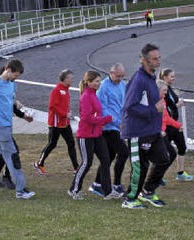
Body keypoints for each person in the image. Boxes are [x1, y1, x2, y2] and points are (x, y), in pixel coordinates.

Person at [120, 43, 172, 209]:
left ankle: (147, 191)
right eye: (154, 59)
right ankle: (129, 199)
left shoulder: (151, 79)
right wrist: (153, 110)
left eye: (159, 58)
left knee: (164, 159)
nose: (157, 62)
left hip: (152, 130)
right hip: (137, 131)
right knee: (140, 167)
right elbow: (130, 106)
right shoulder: (139, 80)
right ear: (143, 60)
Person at [0, 59, 35, 199]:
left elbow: (10, 101)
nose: (16, 78)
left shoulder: (11, 84)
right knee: (13, 156)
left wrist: (23, 115)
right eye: (15, 75)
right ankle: (20, 190)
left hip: (7, 126)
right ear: (8, 70)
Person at [68, 71, 121, 201]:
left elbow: (95, 114)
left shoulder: (93, 94)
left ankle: (107, 192)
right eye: (96, 81)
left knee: (106, 160)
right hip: (85, 136)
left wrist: (101, 121)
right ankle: (74, 189)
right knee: (87, 163)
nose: (98, 83)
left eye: (99, 81)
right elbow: (86, 117)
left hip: (97, 134)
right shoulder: (86, 96)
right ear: (89, 82)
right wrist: (105, 120)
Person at [90, 63, 129, 196]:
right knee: (123, 152)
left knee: (109, 156)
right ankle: (116, 184)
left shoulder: (122, 84)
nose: (120, 79)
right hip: (109, 127)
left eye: (122, 76)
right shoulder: (103, 87)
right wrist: (117, 122)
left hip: (119, 125)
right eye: (118, 76)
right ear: (111, 73)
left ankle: (96, 183)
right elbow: (103, 109)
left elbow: (124, 103)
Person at [33, 69, 79, 175]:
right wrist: (65, 114)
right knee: (52, 143)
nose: (72, 80)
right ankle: (39, 163)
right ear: (66, 78)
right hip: (56, 123)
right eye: (71, 78)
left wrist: (67, 113)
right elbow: (52, 106)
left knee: (71, 143)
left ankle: (76, 168)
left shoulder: (65, 89)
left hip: (64, 122)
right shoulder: (57, 90)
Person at [159, 68, 194, 181]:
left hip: (173, 124)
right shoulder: (161, 91)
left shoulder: (168, 89)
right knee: (164, 153)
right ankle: (157, 176)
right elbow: (164, 109)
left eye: (174, 76)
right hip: (166, 126)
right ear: (164, 77)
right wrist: (178, 105)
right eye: (172, 76)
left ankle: (180, 173)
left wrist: (178, 125)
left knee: (182, 147)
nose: (174, 79)